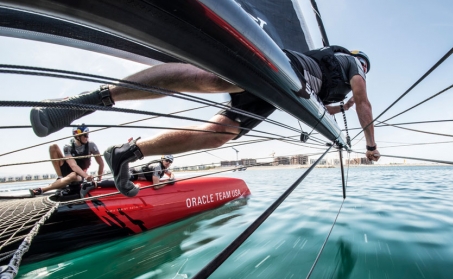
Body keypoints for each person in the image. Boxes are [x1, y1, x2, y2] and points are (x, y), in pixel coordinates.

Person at [30, 46, 380, 198]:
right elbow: (364, 101)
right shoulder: (350, 63)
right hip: (286, 70)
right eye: (363, 66)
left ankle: (126, 152)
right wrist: (371, 145)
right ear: (358, 62)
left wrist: (337, 109)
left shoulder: (333, 86)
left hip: (280, 96)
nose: (362, 71)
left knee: (218, 135)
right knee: (216, 81)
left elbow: (331, 104)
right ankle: (91, 100)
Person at [29, 124, 104, 196]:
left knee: (73, 175)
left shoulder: (91, 145)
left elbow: (101, 163)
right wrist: (87, 176)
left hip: (80, 175)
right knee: (53, 147)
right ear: (77, 136)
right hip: (68, 169)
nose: (87, 137)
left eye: (88, 135)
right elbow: (73, 165)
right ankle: (60, 178)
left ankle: (42, 189)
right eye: (85, 135)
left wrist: (99, 179)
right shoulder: (68, 147)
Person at [80, 154, 176, 197]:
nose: (168, 163)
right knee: (122, 183)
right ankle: (93, 184)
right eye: (167, 160)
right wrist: (168, 181)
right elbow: (156, 186)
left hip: (133, 174)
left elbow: (170, 173)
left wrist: (172, 177)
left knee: (123, 181)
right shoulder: (158, 167)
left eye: (170, 161)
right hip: (132, 174)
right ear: (162, 159)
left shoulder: (163, 167)